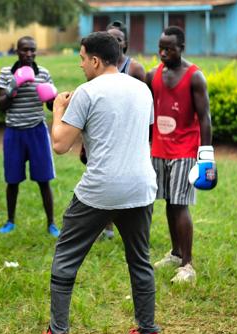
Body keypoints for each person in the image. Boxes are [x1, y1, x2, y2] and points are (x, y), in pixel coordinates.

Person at [42, 32, 159, 334]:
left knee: (66, 258)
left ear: (95, 60)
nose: (80, 65)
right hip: (140, 187)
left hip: (100, 189)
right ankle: (148, 330)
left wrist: (56, 110)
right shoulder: (143, 89)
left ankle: (57, 333)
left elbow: (60, 144)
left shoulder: (87, 92)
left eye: (81, 58)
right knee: (140, 259)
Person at [145, 26, 213, 284]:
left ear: (181, 48)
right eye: (160, 47)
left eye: (169, 48)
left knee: (180, 203)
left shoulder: (195, 77)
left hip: (185, 149)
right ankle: (175, 253)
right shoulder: (153, 75)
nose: (163, 52)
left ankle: (187, 265)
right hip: (159, 149)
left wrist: (206, 154)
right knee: (168, 203)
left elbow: (205, 118)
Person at [82, 20, 148, 240]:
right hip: (104, 137)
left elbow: (145, 109)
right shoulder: (94, 73)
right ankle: (105, 226)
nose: (114, 43)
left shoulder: (135, 69)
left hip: (127, 137)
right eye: (109, 39)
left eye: (117, 39)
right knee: (106, 176)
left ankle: (127, 228)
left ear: (125, 44)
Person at [0, 36, 60, 237]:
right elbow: (1, 105)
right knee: (12, 180)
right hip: (14, 131)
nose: (29, 54)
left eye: (32, 50)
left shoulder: (44, 73)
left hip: (37, 131)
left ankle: (51, 223)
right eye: (25, 50)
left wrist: (51, 97)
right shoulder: (6, 72)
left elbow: (50, 106)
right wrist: (13, 85)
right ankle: (10, 221)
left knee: (44, 179)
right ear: (17, 51)